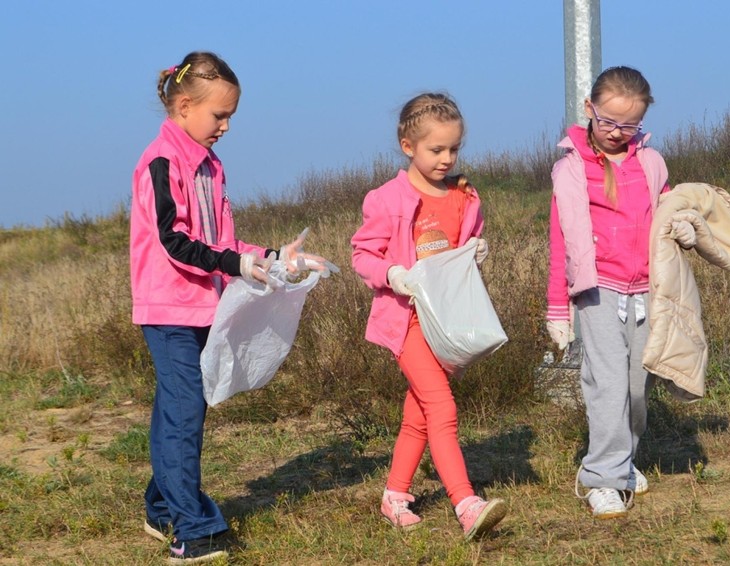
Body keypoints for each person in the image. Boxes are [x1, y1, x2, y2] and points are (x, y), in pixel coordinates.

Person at [131, 51, 325, 563]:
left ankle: (160, 507)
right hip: (168, 309)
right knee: (184, 414)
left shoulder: (212, 166)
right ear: (184, 106)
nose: (226, 127)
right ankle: (193, 530)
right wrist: (238, 263)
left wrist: (277, 258)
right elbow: (175, 241)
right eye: (220, 116)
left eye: (231, 117)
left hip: (203, 308)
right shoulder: (162, 161)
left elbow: (226, 245)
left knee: (179, 409)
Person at [351, 93, 507, 541]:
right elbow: (363, 256)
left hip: (448, 324)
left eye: (453, 148)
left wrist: (477, 249)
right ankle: (465, 502)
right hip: (407, 324)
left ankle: (395, 496)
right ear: (407, 146)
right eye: (435, 149)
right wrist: (391, 273)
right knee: (441, 406)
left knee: (419, 413)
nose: (446, 158)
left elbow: (464, 247)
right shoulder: (386, 199)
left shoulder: (463, 197)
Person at [546, 66, 693, 519]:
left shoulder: (652, 163)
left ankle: (623, 459)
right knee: (606, 385)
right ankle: (602, 478)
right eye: (608, 120)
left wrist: (685, 227)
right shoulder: (570, 170)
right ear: (590, 109)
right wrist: (557, 308)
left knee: (635, 389)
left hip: (648, 289)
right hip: (596, 292)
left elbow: (668, 210)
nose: (616, 132)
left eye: (629, 125)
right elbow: (561, 242)